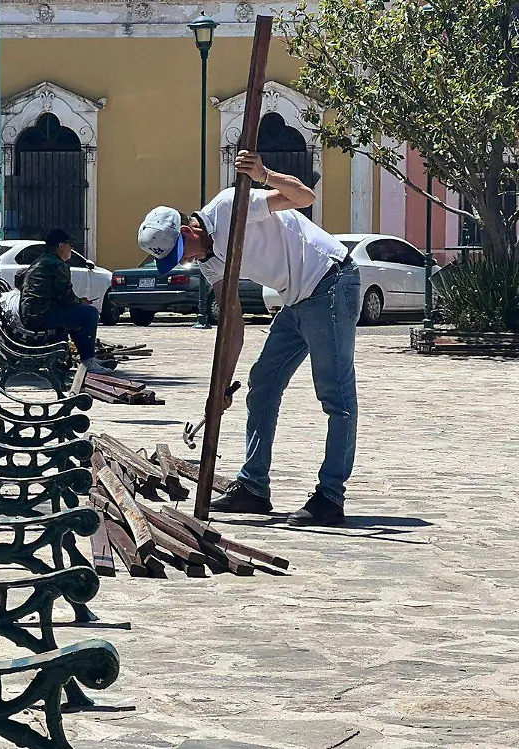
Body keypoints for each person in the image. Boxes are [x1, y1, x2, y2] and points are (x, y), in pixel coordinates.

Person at [137, 151, 360, 527]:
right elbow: (232, 323)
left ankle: (330, 497)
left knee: (336, 397)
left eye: (181, 252)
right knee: (262, 386)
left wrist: (264, 173)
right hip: (295, 299)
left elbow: (305, 197)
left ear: (189, 230)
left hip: (330, 283)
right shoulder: (209, 262)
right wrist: (219, 389)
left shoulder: (230, 205)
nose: (185, 260)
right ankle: (254, 488)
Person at [19, 229, 112, 375]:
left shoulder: (43, 260)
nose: (72, 248)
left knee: (79, 314)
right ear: (61, 246)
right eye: (70, 245)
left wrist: (79, 302)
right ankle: (88, 360)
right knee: (90, 313)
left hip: (33, 314)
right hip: (41, 316)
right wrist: (81, 303)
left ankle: (88, 358)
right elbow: (66, 297)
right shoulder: (56, 264)